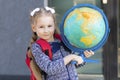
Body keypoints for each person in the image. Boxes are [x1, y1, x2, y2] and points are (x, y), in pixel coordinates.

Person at [27, 7, 94, 80]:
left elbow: (72, 65)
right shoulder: (37, 47)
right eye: (41, 27)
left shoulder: (61, 41)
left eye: (49, 26)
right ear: (34, 28)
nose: (46, 30)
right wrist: (71, 56)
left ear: (54, 25)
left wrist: (83, 56)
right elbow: (50, 68)